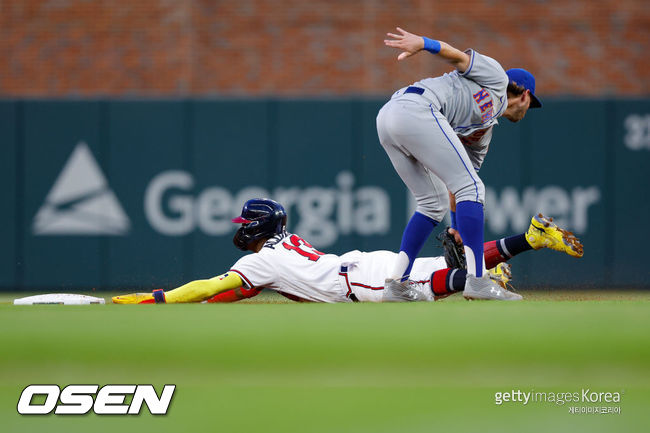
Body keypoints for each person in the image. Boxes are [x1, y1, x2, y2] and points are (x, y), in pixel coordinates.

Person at [112, 199, 583, 305]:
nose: (241, 229)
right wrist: (188, 303)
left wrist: (162, 299)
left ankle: (485, 282)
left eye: (244, 222)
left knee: (436, 284)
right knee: (446, 266)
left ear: (257, 226)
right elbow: (231, 296)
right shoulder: (277, 248)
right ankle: (531, 237)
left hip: (357, 280)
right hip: (358, 262)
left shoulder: (257, 259)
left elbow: (217, 285)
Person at [376, 27, 542, 301]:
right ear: (525, 95)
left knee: (432, 202)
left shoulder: (483, 132)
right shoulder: (497, 79)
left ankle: (397, 284)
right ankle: (478, 281)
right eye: (530, 104)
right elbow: (457, 57)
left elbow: (460, 185)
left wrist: (456, 228)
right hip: (415, 107)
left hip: (391, 118)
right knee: (473, 189)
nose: (527, 111)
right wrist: (423, 43)